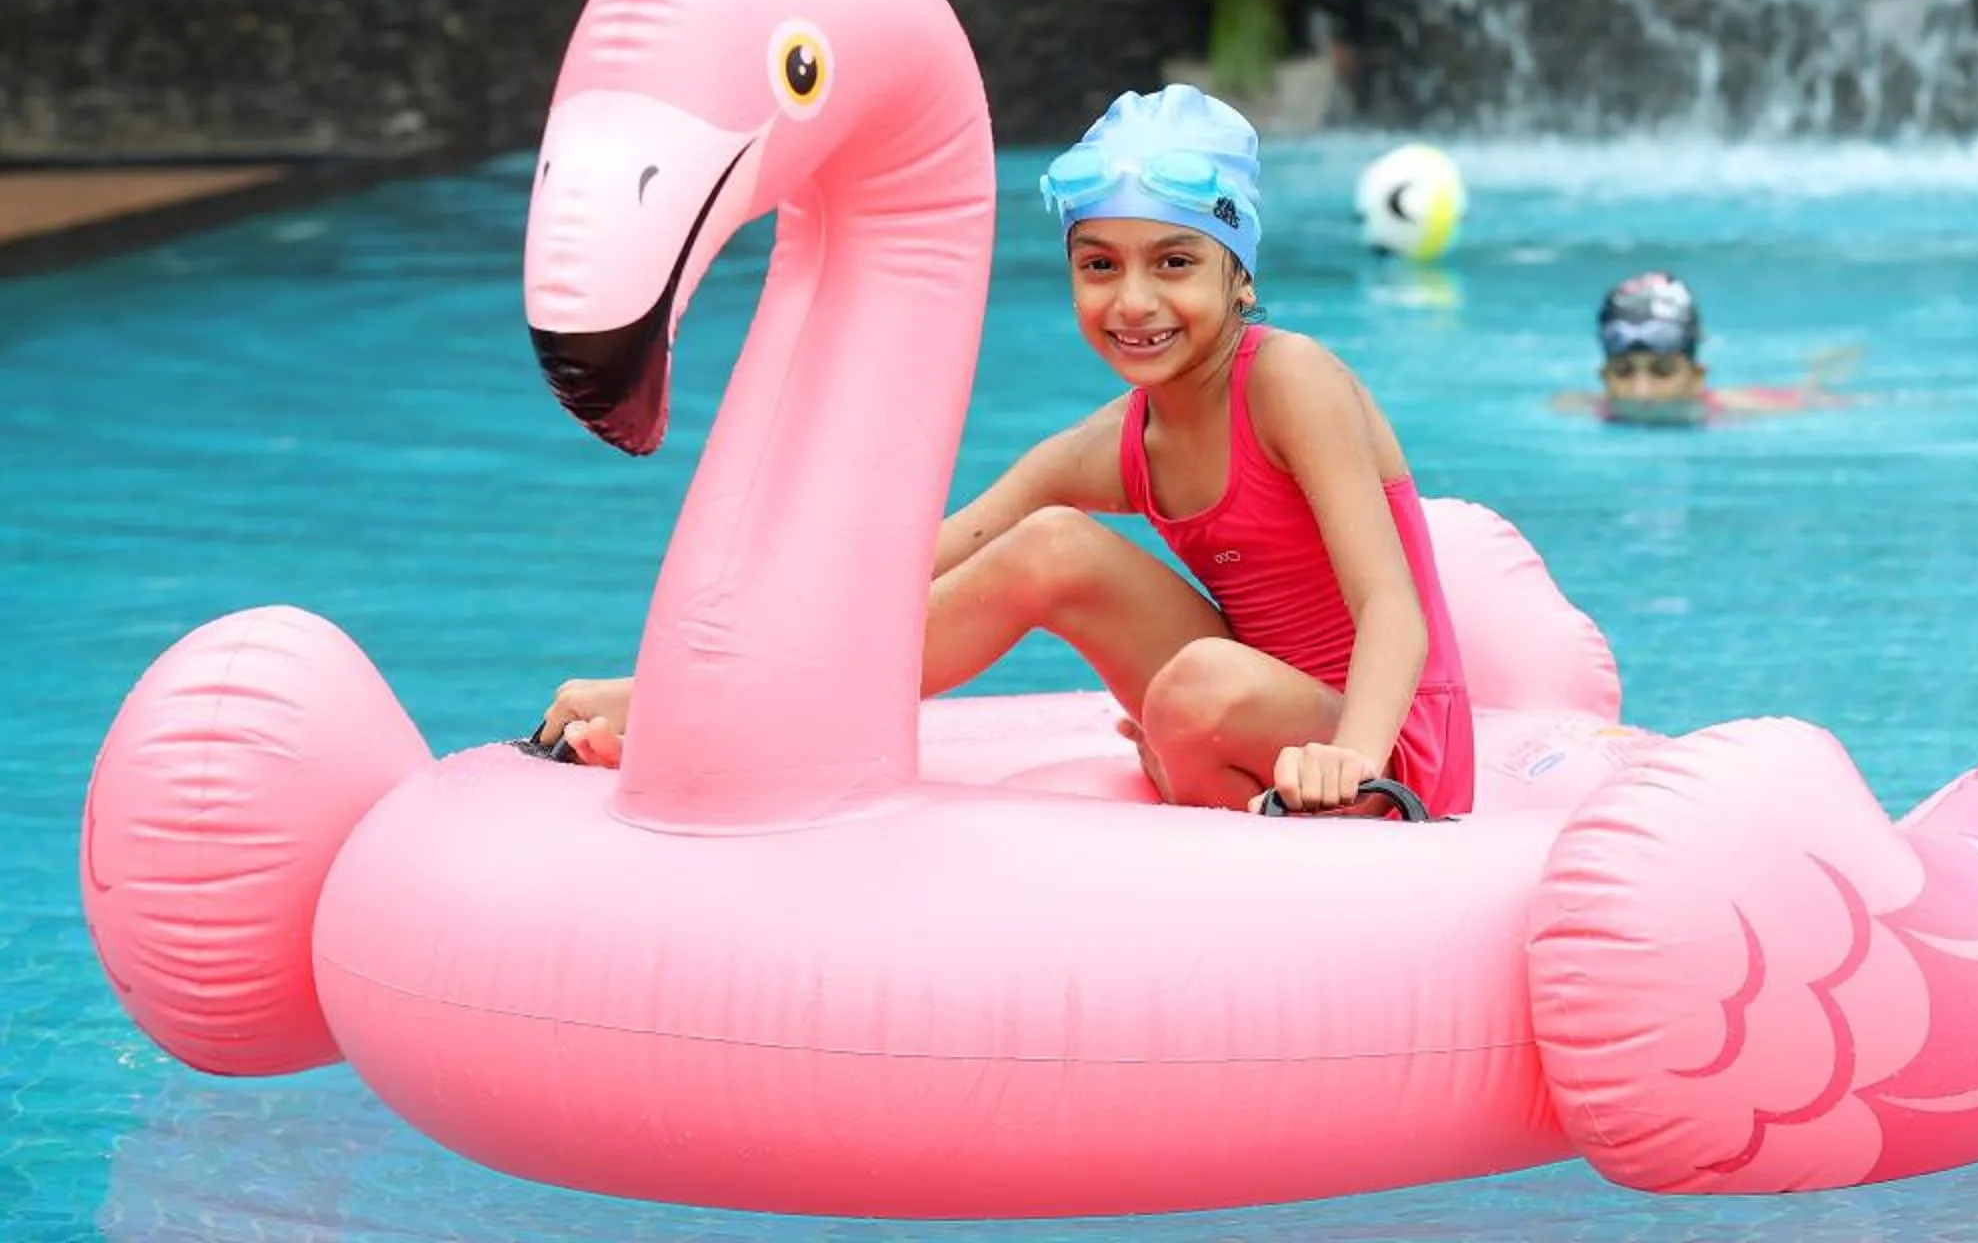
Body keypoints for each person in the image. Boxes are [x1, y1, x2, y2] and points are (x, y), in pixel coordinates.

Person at [536, 85, 1475, 819]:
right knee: (1049, 549)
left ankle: (1216, 773)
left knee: (1199, 684)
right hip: (1246, 708)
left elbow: (1390, 608)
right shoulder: (1118, 442)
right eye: (1099, 265)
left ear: (1239, 275)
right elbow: (906, 572)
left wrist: (1350, 758)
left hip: (1385, 745)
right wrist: (667, 691)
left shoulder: (1292, 380)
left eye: (1175, 262)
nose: (1133, 301)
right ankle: (714, 721)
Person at [1551, 271, 1860, 425]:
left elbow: (1820, 403)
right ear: (1603, 377)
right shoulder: (1577, 408)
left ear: (1697, 376)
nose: (1641, 390)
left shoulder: (1740, 410)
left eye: (1662, 371)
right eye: (1624, 372)